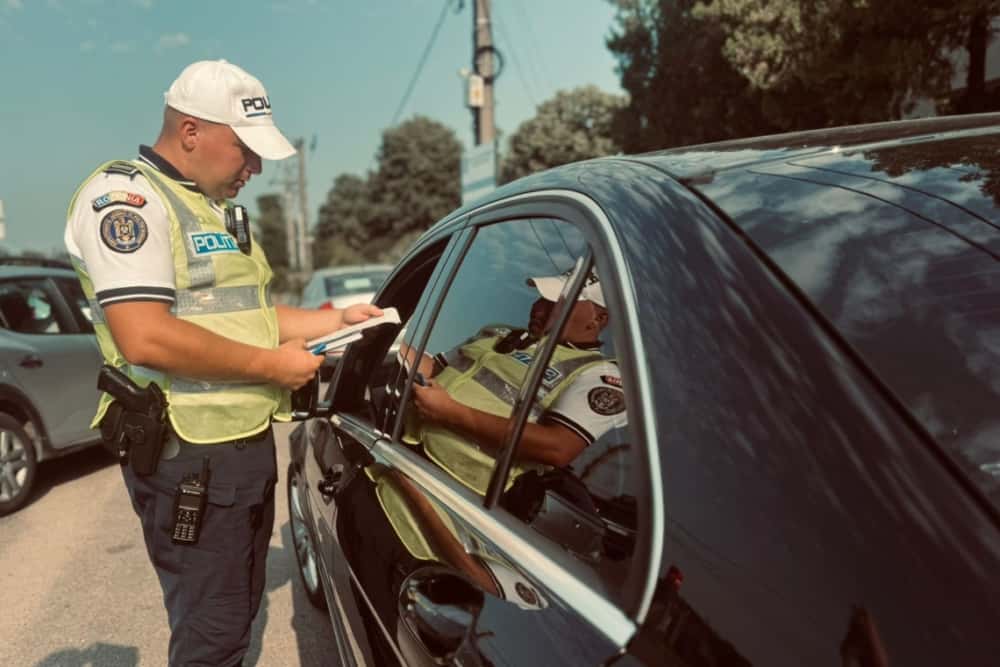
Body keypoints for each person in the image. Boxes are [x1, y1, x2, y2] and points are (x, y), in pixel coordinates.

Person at [63, 59, 381, 667]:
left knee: (231, 613)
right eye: (245, 151)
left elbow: (250, 316)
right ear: (191, 132)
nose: (255, 168)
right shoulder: (125, 199)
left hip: (236, 446)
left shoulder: (208, 209)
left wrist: (334, 322)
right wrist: (270, 367)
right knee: (213, 637)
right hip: (192, 458)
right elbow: (145, 338)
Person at [403, 269, 627, 498]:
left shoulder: (598, 374)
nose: (539, 308)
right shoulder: (498, 333)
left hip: (458, 491)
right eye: (542, 298)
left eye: (555, 303)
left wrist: (450, 413)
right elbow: (435, 371)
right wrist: (392, 341)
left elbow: (559, 447)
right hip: (406, 453)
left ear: (598, 319)